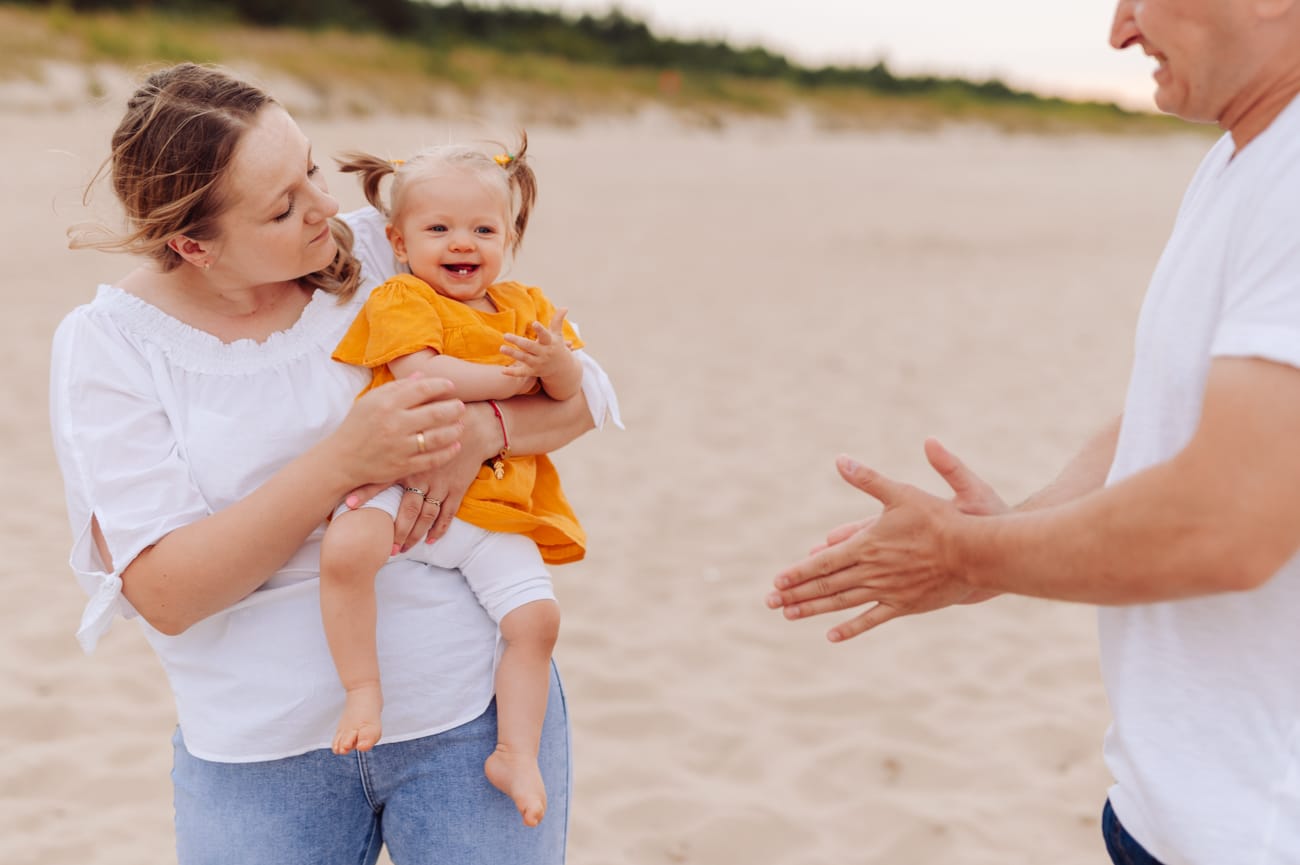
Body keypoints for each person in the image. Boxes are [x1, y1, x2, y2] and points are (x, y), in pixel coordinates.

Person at [766, 2, 1300, 864]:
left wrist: (966, 556)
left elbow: (1230, 523)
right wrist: (1004, 532)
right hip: (1167, 810)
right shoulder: (1243, 160)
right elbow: (1179, 409)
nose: (1119, 31)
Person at [50, 62, 619, 865]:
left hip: (470, 715)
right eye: (283, 207)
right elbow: (166, 592)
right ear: (194, 245)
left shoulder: (391, 253)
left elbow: (587, 396)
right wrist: (343, 463)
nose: (325, 208)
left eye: (309, 168)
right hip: (258, 758)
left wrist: (483, 432)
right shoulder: (110, 347)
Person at [319, 136, 588, 830]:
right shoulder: (402, 296)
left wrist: (554, 364)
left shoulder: (526, 307)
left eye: (482, 229)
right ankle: (362, 689)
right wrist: (513, 381)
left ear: (509, 238)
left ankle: (515, 749)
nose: (460, 242)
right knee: (345, 552)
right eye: (438, 228)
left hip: (489, 512)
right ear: (399, 241)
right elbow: (422, 372)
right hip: (400, 485)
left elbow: (575, 392)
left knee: (536, 620)